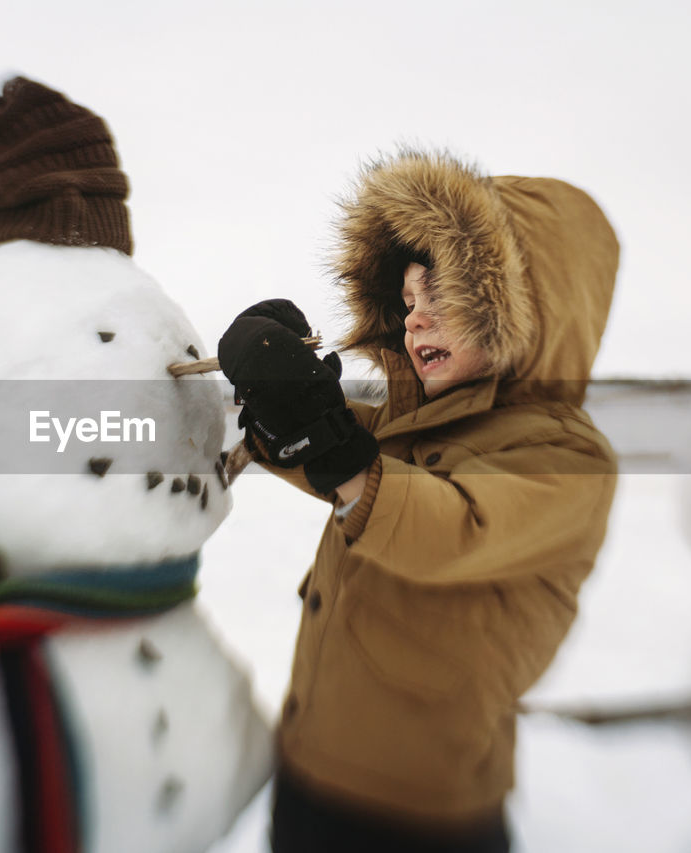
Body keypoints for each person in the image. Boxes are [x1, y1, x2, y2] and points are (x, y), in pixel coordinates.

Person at [217, 148, 621, 852]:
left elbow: (449, 527)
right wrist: (275, 403)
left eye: (442, 295)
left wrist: (326, 436)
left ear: (523, 308)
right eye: (406, 303)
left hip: (422, 817)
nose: (416, 319)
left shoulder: (566, 459)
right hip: (310, 772)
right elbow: (337, 454)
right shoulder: (412, 432)